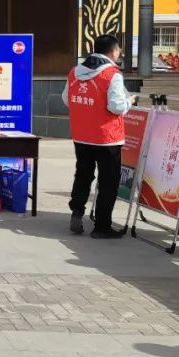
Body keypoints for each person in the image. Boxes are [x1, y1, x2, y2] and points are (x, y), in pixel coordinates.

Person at [63, 34, 133, 239]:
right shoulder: (112, 74)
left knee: (83, 175)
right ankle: (102, 227)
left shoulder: (75, 72)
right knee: (108, 181)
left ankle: (77, 212)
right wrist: (129, 102)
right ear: (113, 51)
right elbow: (116, 106)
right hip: (107, 137)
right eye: (119, 50)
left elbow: (67, 99)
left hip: (81, 135)